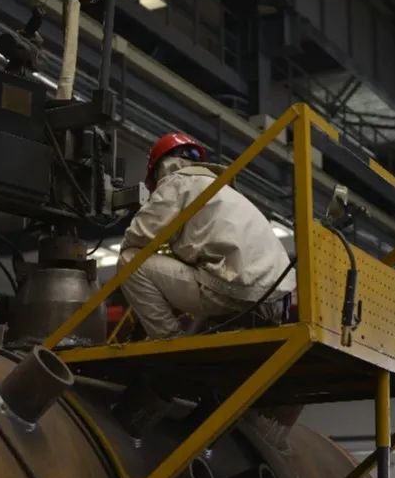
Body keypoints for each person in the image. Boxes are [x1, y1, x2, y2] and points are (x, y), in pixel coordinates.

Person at [118, 133, 296, 339]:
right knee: (201, 273)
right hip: (275, 299)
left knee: (129, 261)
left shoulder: (178, 181)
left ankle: (169, 341)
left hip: (237, 290)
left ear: (161, 168)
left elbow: (139, 235)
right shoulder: (223, 190)